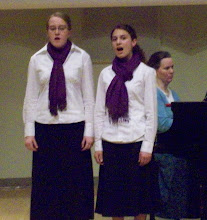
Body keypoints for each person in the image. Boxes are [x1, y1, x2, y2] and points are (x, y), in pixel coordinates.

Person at [23, 12, 94, 220]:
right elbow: (31, 97)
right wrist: (29, 131)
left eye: (61, 28)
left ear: (69, 31)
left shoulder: (82, 57)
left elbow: (89, 98)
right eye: (52, 28)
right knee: (47, 186)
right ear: (47, 31)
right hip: (45, 128)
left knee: (75, 185)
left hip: (74, 128)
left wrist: (89, 131)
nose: (57, 32)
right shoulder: (37, 59)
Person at [94, 24, 158, 220]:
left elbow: (151, 113)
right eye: (114, 39)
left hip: (137, 142)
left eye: (123, 38)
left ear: (133, 42)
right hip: (111, 143)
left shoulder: (146, 72)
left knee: (139, 201)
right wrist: (98, 144)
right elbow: (99, 111)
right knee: (115, 202)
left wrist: (147, 146)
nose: (118, 42)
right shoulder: (106, 73)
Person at [148, 51, 200, 219]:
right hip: (163, 151)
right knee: (169, 195)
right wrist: (177, 120)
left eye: (172, 67)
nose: (171, 71)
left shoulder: (174, 94)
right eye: (166, 68)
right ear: (156, 70)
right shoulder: (153, 94)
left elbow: (178, 120)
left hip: (177, 149)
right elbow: (162, 125)